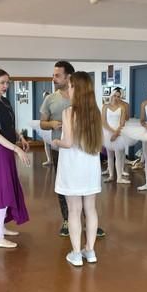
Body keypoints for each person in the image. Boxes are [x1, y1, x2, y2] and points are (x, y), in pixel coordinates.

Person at [41, 61, 105, 237]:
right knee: (66, 190)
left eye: (57, 75)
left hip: (81, 149)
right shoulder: (50, 99)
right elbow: (42, 123)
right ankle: (68, 221)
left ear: (69, 78)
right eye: (53, 75)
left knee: (84, 194)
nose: (54, 78)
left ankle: (85, 225)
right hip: (63, 150)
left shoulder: (82, 102)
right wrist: (52, 124)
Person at [53, 72, 103, 266]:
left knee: (74, 210)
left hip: (73, 166)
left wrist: (56, 141)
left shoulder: (69, 112)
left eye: (71, 85)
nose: (69, 88)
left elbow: (67, 142)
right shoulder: (95, 112)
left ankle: (76, 253)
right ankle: (90, 251)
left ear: (77, 89)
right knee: (90, 208)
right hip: (90, 166)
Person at [0, 68, 30, 248]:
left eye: (7, 83)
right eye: (2, 82)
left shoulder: (5, 101)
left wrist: (20, 137)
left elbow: (9, 125)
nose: (5, 86)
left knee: (7, 188)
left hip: (7, 149)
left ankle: (0, 227)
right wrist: (17, 149)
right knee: (2, 191)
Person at [101, 88, 133, 184]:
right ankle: (111, 175)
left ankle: (119, 178)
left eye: (118, 96)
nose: (116, 98)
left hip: (119, 133)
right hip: (108, 132)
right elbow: (103, 121)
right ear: (111, 95)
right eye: (115, 95)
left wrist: (116, 133)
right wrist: (112, 132)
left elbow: (122, 122)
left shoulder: (122, 107)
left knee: (118, 156)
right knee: (110, 156)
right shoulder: (105, 106)